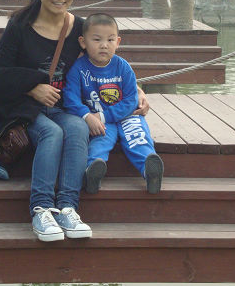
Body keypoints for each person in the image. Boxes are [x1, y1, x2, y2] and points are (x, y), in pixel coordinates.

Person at [0, 0, 150, 243]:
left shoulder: (80, 28)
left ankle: (68, 207)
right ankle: (41, 208)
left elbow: (106, 62)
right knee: (52, 133)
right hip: (26, 108)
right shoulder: (19, 26)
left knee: (78, 127)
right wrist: (32, 87)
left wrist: (138, 91)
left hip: (64, 107)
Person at [63, 13, 164, 195]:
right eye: (97, 40)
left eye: (110, 40)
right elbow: (70, 98)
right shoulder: (78, 69)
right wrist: (87, 116)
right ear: (83, 42)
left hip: (126, 116)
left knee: (138, 136)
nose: (104, 45)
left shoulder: (122, 67)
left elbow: (131, 100)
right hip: (98, 120)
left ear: (117, 42)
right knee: (100, 141)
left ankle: (149, 170)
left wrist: (103, 115)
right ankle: (93, 170)